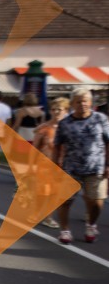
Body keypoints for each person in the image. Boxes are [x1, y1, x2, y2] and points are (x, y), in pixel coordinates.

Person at [53, 89, 109, 244]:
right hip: (71, 168)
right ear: (72, 104)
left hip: (96, 167)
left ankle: (91, 225)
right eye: (78, 101)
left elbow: (108, 142)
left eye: (85, 101)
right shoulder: (65, 123)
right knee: (65, 201)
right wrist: (55, 167)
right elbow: (57, 145)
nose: (82, 104)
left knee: (97, 201)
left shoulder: (100, 119)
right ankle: (65, 230)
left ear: (90, 103)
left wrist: (107, 165)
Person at [32, 97, 70, 228]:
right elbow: (35, 148)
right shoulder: (44, 128)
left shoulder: (69, 128)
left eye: (59, 109)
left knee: (55, 193)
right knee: (43, 192)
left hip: (63, 165)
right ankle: (39, 214)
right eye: (54, 109)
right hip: (45, 165)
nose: (56, 112)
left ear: (66, 111)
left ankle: (47, 216)